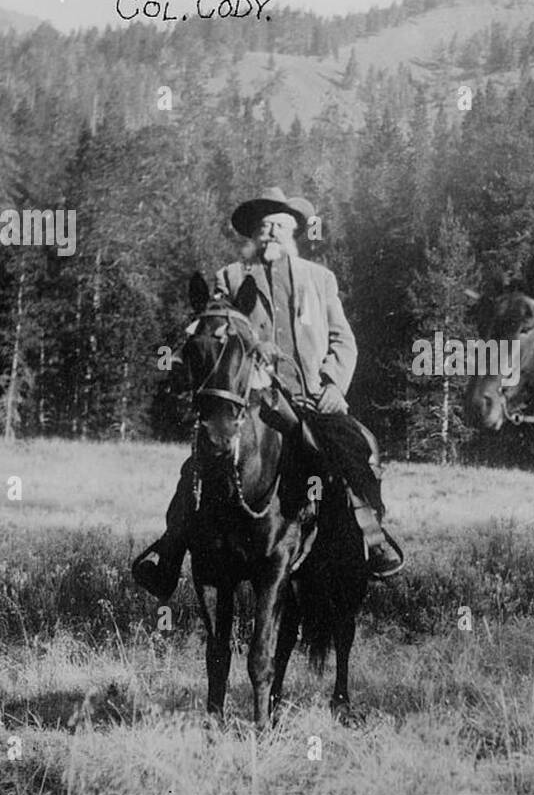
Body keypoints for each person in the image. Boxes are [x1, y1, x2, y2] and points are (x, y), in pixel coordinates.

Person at [132, 187, 404, 600]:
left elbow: (343, 341)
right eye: (264, 227)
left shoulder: (320, 279)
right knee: (199, 467)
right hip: (254, 401)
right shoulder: (230, 278)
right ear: (254, 235)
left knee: (351, 451)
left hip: (312, 399)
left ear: (294, 231)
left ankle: (372, 536)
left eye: (280, 225)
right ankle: (168, 557)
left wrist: (332, 385)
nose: (271, 233)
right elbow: (217, 333)